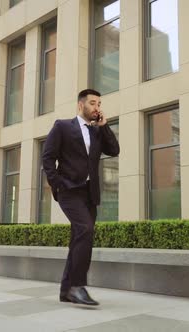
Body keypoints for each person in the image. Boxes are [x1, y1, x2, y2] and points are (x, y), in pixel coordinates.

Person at [42, 89, 120, 306]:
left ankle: (66, 291)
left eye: (99, 103)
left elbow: (114, 150)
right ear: (81, 105)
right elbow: (48, 158)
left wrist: (104, 126)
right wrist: (58, 184)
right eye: (93, 103)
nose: (97, 107)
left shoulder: (97, 132)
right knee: (86, 229)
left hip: (89, 193)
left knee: (79, 237)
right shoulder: (63, 126)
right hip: (69, 191)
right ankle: (77, 286)